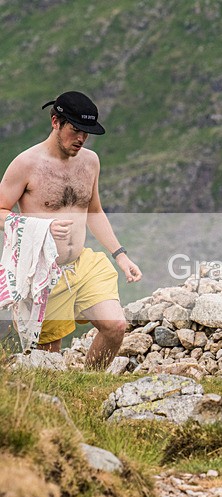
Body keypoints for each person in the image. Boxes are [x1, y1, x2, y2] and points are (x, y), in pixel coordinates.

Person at [0, 91, 142, 369]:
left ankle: (91, 381)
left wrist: (121, 255)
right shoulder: (26, 164)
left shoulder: (90, 162)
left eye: (86, 133)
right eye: (75, 129)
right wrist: (41, 228)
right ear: (56, 122)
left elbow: (94, 211)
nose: (81, 139)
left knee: (116, 326)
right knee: (48, 361)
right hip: (43, 274)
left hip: (82, 264)